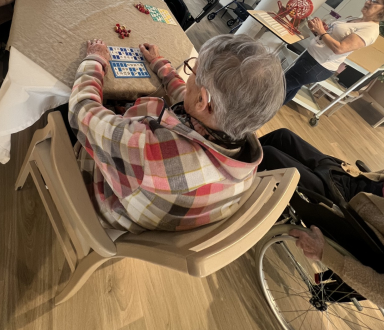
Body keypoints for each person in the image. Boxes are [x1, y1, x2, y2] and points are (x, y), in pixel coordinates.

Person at [68, 34, 285, 233]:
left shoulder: (149, 150)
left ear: (203, 100)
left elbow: (81, 109)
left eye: (192, 71)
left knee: (64, 108)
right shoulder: (244, 152)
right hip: (154, 204)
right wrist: (161, 65)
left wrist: (96, 59)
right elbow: (192, 99)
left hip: (102, 198)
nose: (188, 78)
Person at [258, 127, 384, 307]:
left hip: (348, 213)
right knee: (282, 137)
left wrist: (325, 253)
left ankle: (224, 181)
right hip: (353, 180)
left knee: (269, 156)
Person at [284, 0, 384, 104]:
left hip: (317, 65)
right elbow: (329, 38)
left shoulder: (370, 30)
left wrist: (321, 31)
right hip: (311, 57)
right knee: (288, 89)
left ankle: (266, 111)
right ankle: (269, 111)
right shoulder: (355, 19)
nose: (368, 1)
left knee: (280, 87)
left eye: (374, 1)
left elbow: (339, 49)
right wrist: (316, 30)